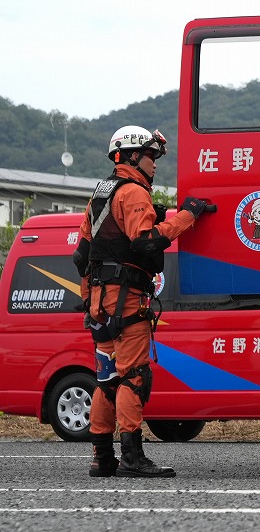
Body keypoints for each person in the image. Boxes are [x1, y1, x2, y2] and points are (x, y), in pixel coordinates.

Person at [72, 127, 210, 478]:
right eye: (151, 156)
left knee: (107, 380)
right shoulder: (134, 192)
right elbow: (146, 242)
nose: (155, 164)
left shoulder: (101, 193)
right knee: (133, 376)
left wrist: (88, 300)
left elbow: (82, 256)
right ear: (133, 156)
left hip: (100, 303)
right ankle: (132, 457)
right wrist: (187, 216)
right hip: (126, 300)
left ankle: (102, 457)